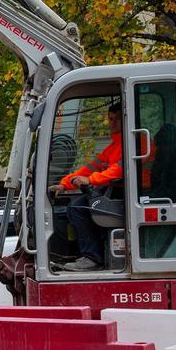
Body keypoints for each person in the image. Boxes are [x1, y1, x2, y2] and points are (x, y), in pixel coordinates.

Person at [51, 101, 123, 272]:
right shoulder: (113, 146)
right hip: (114, 188)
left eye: (116, 119)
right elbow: (89, 168)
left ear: (125, 119)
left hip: (128, 191)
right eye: (110, 119)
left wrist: (89, 181)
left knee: (78, 208)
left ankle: (92, 257)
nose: (111, 123)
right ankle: (92, 254)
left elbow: (118, 171)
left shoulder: (133, 142)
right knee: (77, 206)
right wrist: (64, 184)